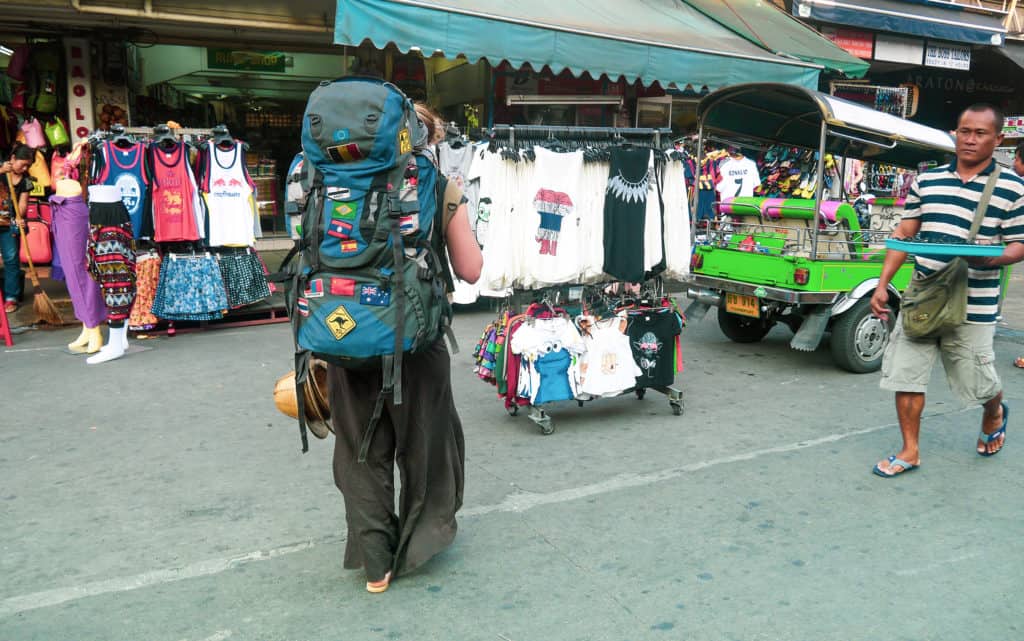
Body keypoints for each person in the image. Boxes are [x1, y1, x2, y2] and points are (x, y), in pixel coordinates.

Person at [326, 102, 483, 592]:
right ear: (424, 140)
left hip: (343, 333)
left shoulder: (321, 181)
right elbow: (472, 269)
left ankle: (376, 565)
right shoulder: (438, 186)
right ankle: (418, 544)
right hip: (416, 341)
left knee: (359, 450)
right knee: (426, 446)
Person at [870, 104, 1024, 477]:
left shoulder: (1014, 187)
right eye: (964, 131)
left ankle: (994, 411)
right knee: (905, 375)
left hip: (975, 302)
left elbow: (1018, 244)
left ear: (998, 139)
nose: (969, 139)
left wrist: (988, 260)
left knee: (980, 383)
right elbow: (904, 234)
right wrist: (883, 284)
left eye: (980, 133)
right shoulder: (927, 181)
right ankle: (910, 450)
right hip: (923, 295)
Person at [0, 144, 35, 313]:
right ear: (13, 158)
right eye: (23, 164)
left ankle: (11, 297)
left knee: (11, 258)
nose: (25, 168)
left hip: (9, 224)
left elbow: (22, 205)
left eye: (28, 165)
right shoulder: (1, 169)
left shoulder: (26, 180)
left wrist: (19, 219)